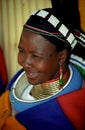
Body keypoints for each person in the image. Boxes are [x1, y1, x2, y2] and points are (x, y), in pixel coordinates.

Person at [0, 8, 85, 130]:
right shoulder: (19, 79)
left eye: (35, 55)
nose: (24, 63)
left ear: (61, 57)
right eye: (21, 51)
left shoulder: (71, 110)